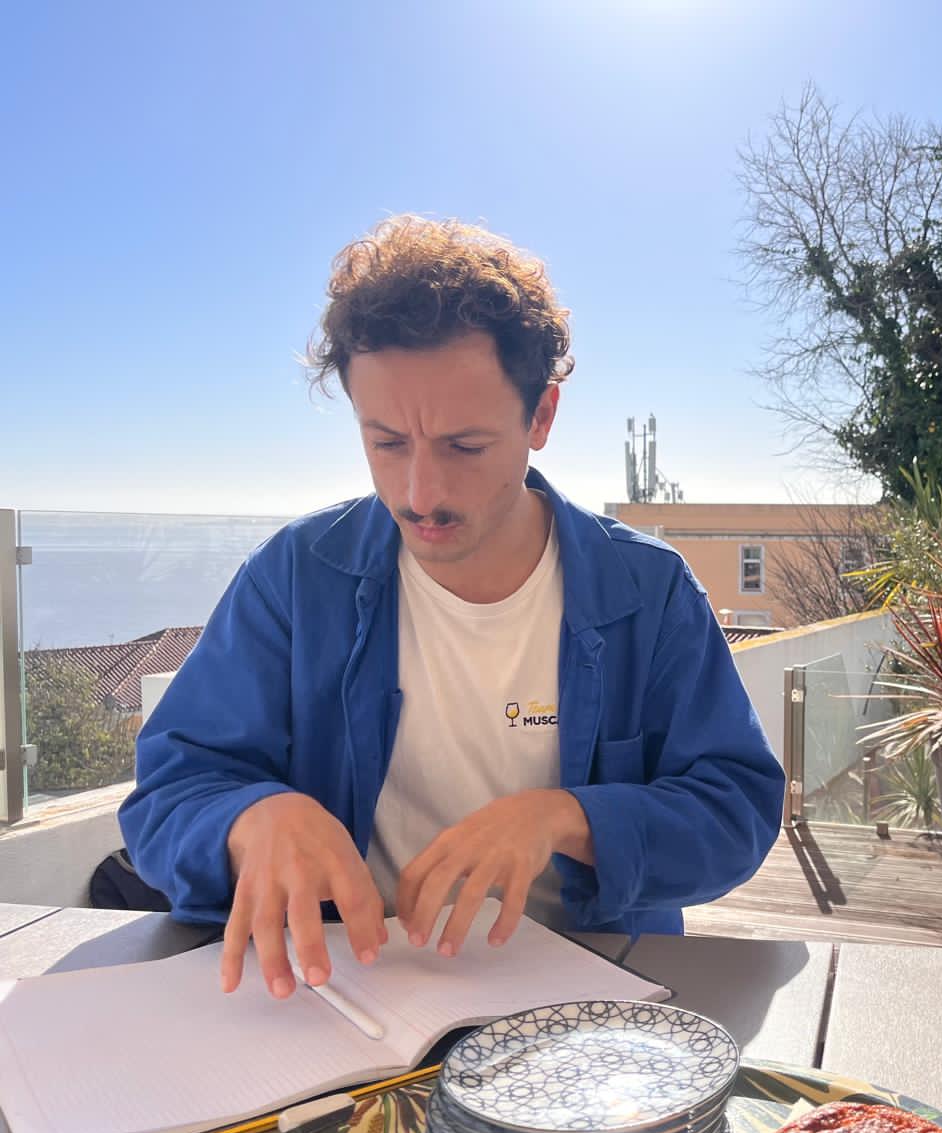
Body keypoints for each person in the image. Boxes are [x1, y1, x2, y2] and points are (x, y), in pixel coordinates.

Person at [119, 216, 785, 1000]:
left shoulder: (650, 591)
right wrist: (250, 819)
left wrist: (566, 818)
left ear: (542, 417)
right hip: (347, 998)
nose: (420, 494)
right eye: (386, 442)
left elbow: (736, 812)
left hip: (593, 1003)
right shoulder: (294, 579)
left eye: (465, 447)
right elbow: (168, 796)